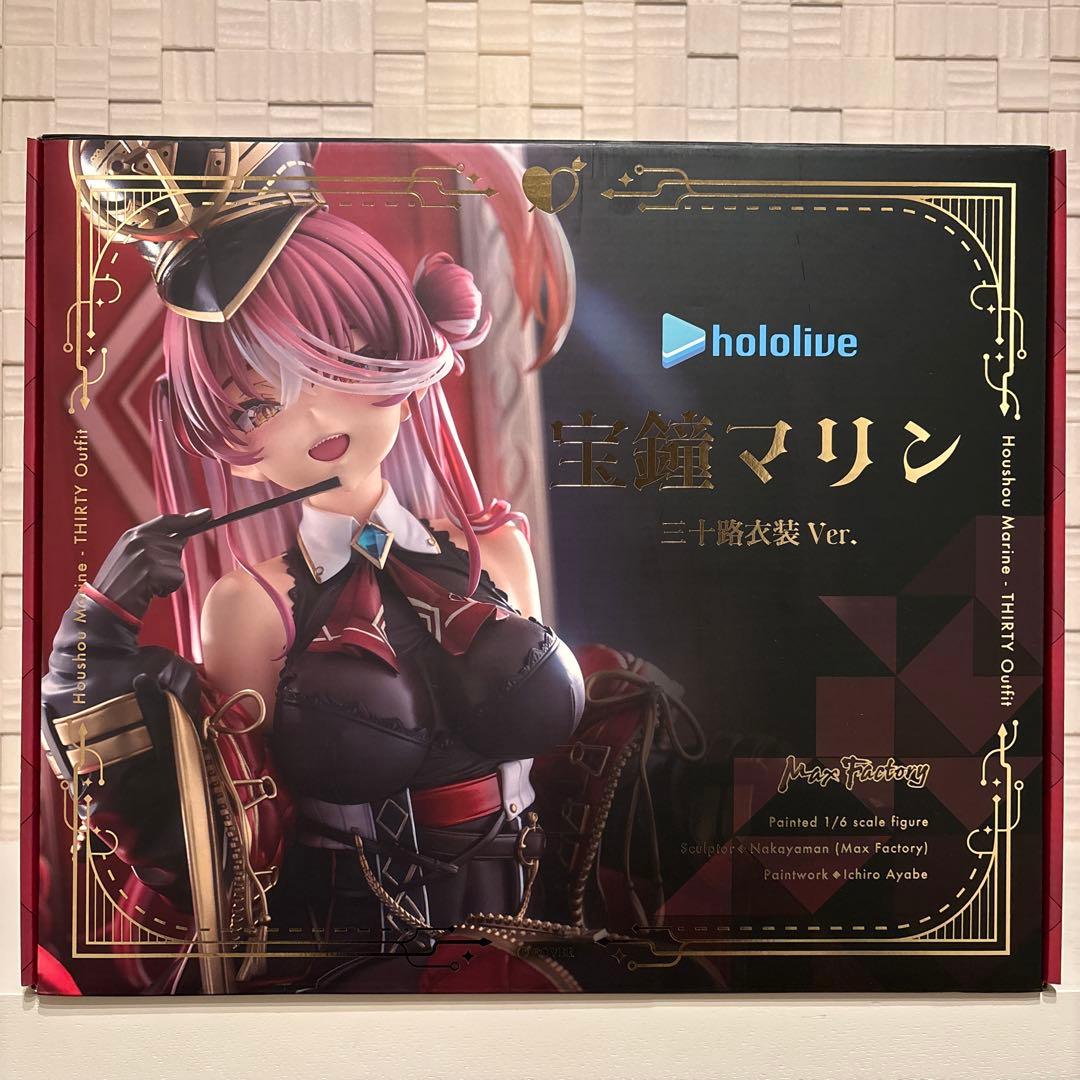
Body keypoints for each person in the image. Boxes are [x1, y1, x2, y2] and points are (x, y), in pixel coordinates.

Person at [41, 140, 586, 991]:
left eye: (338, 361)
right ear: (224, 440)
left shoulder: (497, 551)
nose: (315, 420)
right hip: (355, 965)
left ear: (408, 344)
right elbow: (224, 827)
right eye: (256, 405)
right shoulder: (250, 605)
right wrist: (98, 625)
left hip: (535, 929)